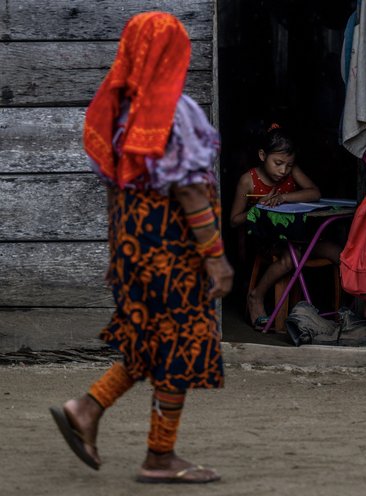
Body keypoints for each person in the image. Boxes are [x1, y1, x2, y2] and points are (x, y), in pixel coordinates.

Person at [48, 12, 233, 484]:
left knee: (148, 341)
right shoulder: (172, 112)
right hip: (173, 254)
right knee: (177, 345)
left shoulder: (116, 110)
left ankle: (86, 409)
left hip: (132, 252)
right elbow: (190, 193)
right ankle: (159, 456)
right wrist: (216, 258)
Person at [229, 125, 341, 330]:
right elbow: (234, 220)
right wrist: (259, 207)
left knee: (338, 253)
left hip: (299, 236)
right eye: (278, 163)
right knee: (290, 258)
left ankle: (348, 312)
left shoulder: (291, 172)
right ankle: (256, 296)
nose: (283, 170)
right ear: (262, 155)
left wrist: (282, 198)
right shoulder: (248, 181)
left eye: (288, 165)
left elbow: (314, 193)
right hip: (267, 239)